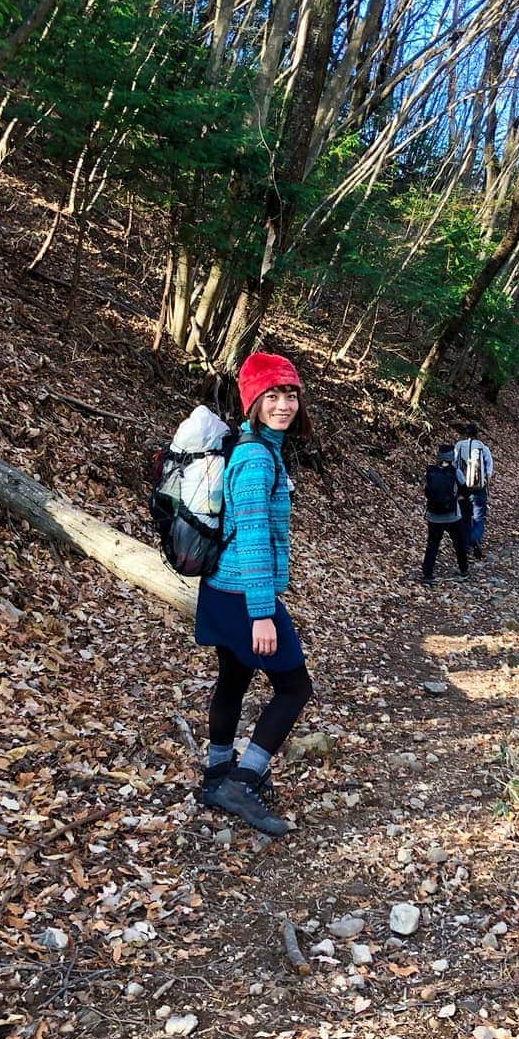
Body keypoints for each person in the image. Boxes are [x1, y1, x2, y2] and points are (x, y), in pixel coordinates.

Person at [193, 353, 313, 837]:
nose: (283, 404)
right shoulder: (255, 459)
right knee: (294, 687)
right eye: (272, 395)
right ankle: (241, 781)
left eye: (290, 394)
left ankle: (217, 772)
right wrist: (263, 613)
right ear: (253, 402)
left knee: (234, 680)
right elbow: (254, 539)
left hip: (223, 590)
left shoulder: (258, 449)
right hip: (244, 595)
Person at [421, 444, 469, 586]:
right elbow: (466, 491)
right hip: (452, 515)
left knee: (432, 544)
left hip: (433, 516)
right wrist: (456, 499)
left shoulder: (430, 472)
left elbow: (426, 492)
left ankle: (427, 574)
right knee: (459, 543)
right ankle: (463, 569)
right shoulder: (456, 472)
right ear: (452, 458)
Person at [454, 423, 494, 559]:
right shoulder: (483, 448)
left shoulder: (459, 446)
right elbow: (489, 468)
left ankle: (465, 546)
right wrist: (486, 480)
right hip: (479, 487)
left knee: (464, 517)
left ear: (465, 433)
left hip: (462, 487)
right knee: (479, 516)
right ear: (477, 433)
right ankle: (475, 538)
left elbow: (454, 465)